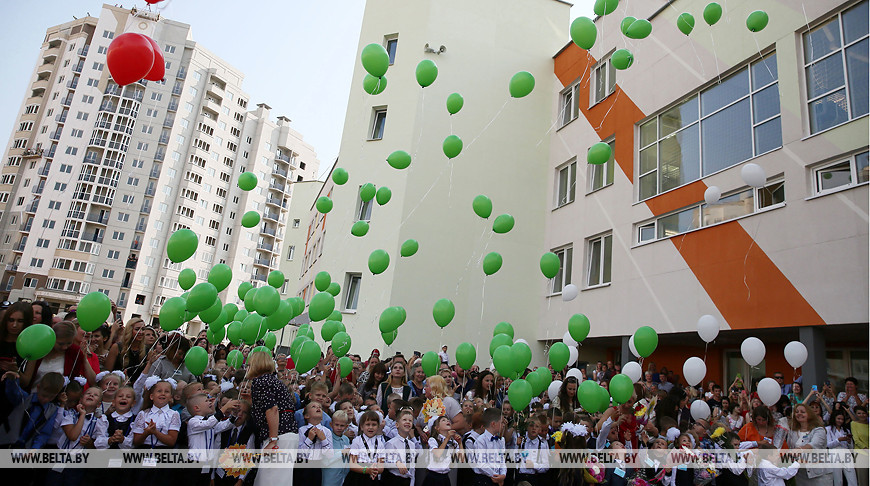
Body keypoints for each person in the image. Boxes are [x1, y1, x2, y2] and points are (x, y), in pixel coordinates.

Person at [246, 350, 297, 486]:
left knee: (270, 481)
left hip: (279, 436)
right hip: (288, 434)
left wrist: (273, 440)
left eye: (249, 364)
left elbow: (272, 409)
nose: (247, 367)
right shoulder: (273, 381)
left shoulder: (260, 382)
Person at [20, 321, 96, 390]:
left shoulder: (75, 352)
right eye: (61, 344)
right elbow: (26, 381)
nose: (65, 347)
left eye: (69, 343)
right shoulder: (40, 348)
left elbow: (74, 379)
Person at [0, 370, 63, 448]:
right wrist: (12, 380)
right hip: (6, 442)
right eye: (44, 395)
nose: (46, 399)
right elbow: (14, 392)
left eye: (51, 397)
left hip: (26, 448)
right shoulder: (25, 398)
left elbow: (44, 434)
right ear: (38, 387)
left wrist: (35, 448)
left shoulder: (51, 411)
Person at [187, 393, 238, 485]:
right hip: (195, 463)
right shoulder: (193, 422)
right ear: (197, 408)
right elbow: (208, 424)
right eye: (206, 401)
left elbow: (224, 426)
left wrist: (234, 415)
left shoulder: (210, 421)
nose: (210, 402)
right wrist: (225, 407)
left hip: (207, 462)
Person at [783, 403, 834, 486]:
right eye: (797, 412)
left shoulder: (819, 430)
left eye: (802, 412)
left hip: (819, 474)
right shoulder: (792, 431)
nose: (799, 413)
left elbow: (814, 444)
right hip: (800, 474)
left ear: (809, 414)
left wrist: (800, 450)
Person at [346, 410, 385, 485]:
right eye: (367, 424)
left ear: (378, 426)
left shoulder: (380, 443)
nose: (371, 427)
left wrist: (375, 470)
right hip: (357, 478)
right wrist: (366, 470)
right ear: (361, 427)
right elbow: (352, 465)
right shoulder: (357, 441)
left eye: (374, 425)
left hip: (373, 477)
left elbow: (381, 467)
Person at [297, 401, 332, 484]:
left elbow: (330, 455)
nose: (318, 408)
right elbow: (299, 454)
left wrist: (323, 440)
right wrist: (309, 439)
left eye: (320, 407)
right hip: (303, 467)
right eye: (313, 406)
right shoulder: (302, 430)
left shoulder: (327, 432)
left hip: (318, 466)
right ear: (306, 415)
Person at [105, 317, 149, 382]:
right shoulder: (117, 347)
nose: (141, 332)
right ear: (130, 330)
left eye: (143, 329)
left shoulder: (147, 350)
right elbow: (107, 372)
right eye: (137, 329)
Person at [385, 408, 420, 486]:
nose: (407, 422)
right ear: (397, 424)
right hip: (394, 479)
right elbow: (386, 462)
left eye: (410, 421)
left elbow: (412, 466)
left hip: (407, 480)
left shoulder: (412, 444)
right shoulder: (391, 443)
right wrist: (397, 463)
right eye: (404, 420)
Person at [474, 407, 506, 486]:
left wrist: (503, 474)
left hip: (497, 477)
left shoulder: (501, 440)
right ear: (493, 424)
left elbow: (502, 459)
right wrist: (494, 475)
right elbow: (481, 463)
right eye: (501, 422)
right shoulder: (480, 441)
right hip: (484, 479)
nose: (503, 425)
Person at [516, 413, 549, 486]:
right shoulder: (521, 442)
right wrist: (517, 447)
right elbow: (513, 460)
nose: (534, 428)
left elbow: (546, 466)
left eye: (537, 426)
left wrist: (534, 465)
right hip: (520, 476)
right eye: (531, 426)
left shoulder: (542, 445)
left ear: (540, 429)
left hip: (534, 477)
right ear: (527, 427)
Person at [0, 301, 33, 371]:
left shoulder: (30, 346)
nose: (14, 325)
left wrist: (15, 371)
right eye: (11, 320)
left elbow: (26, 380)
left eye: (20, 321)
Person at [324, 409, 352, 486]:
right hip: (330, 478)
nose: (339, 428)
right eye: (336, 425)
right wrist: (341, 453)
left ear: (346, 426)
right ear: (331, 425)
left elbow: (347, 459)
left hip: (343, 477)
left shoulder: (346, 439)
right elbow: (325, 460)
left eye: (342, 425)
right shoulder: (327, 438)